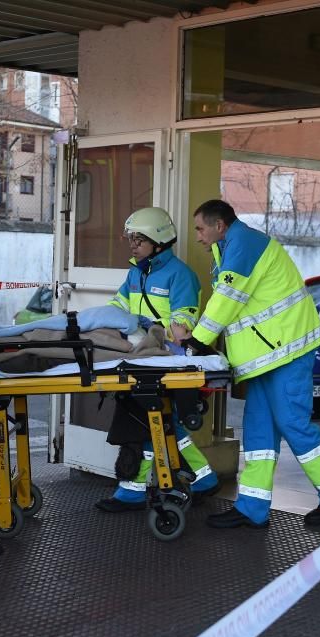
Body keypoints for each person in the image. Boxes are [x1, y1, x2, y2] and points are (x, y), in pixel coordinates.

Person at [186, 200, 320, 529]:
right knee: (259, 430)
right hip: (267, 356)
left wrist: (198, 340)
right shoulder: (231, 247)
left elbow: (228, 297)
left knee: (292, 422)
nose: (197, 236)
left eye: (200, 228)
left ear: (219, 225)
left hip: (288, 350)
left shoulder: (245, 243)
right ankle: (252, 507)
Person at [94, 206, 219, 512]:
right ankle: (202, 479)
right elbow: (116, 307)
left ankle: (132, 491)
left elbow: (181, 329)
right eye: (131, 238)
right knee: (161, 422)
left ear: (159, 241)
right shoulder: (135, 273)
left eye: (139, 239)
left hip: (166, 360)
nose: (132, 244)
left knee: (154, 421)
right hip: (139, 359)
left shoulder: (181, 276)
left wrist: (142, 324)